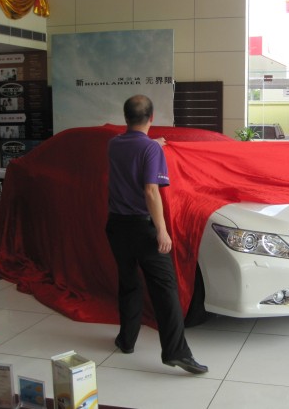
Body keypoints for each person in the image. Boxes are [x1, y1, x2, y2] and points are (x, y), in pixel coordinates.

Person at [105, 94, 208, 374]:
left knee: (129, 283)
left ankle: (127, 340)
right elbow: (151, 191)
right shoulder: (151, 149)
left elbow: (133, 147)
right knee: (165, 289)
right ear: (152, 118)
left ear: (125, 118)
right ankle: (176, 352)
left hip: (116, 227)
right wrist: (162, 231)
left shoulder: (114, 144)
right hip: (143, 228)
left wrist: (153, 144)